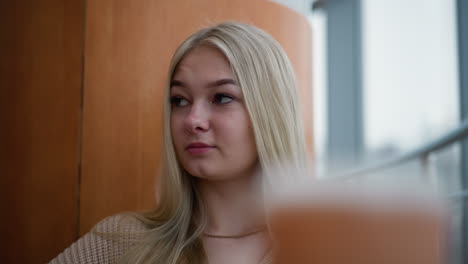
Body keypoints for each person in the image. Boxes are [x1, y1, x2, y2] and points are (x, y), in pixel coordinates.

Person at [50, 21, 308, 264]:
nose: (193, 120)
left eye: (221, 97)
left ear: (272, 112)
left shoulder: (321, 247)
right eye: (180, 100)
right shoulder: (122, 241)